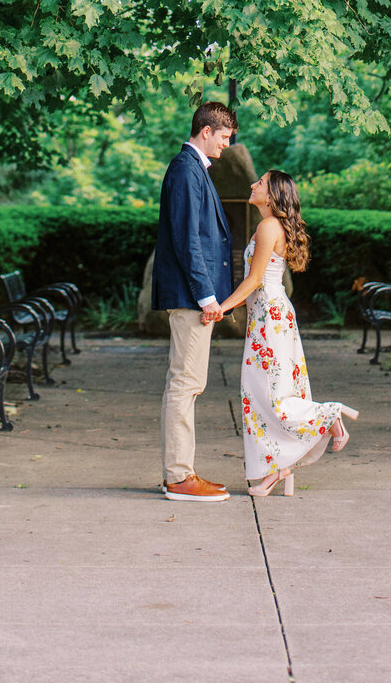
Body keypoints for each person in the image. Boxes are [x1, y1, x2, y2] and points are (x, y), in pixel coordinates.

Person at [215, 169, 358, 497]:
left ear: (273, 195)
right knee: (263, 396)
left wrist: (222, 308)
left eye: (260, 183)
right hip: (270, 316)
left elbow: (254, 280)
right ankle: (276, 469)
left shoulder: (267, 227)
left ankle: (329, 414)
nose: (253, 185)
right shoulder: (267, 226)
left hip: (270, 318)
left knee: (269, 397)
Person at [151, 101, 236, 502]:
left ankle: (180, 472)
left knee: (188, 384)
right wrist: (206, 296)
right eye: (223, 137)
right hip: (190, 298)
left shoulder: (192, 170)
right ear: (206, 131)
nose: (226, 145)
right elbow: (189, 241)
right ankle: (179, 477)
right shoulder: (186, 170)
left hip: (192, 298)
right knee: (185, 385)